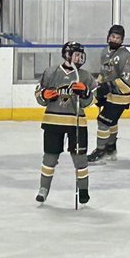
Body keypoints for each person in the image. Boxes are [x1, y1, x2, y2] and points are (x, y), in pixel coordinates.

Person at [34, 41, 95, 205]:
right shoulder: (51, 72)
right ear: (67, 55)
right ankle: (43, 189)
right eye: (76, 54)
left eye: (81, 54)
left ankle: (83, 190)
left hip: (76, 123)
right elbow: (39, 95)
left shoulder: (86, 76)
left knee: (80, 159)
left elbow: (90, 102)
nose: (80, 58)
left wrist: (85, 93)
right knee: (49, 157)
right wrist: (44, 95)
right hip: (53, 122)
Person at [84, 24, 130, 163]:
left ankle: (101, 151)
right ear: (108, 37)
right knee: (111, 122)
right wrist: (99, 87)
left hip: (120, 97)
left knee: (103, 121)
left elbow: (127, 83)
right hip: (109, 96)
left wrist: (108, 86)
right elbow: (104, 73)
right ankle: (111, 149)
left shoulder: (125, 56)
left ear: (122, 40)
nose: (115, 39)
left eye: (118, 38)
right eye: (113, 36)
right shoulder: (105, 52)